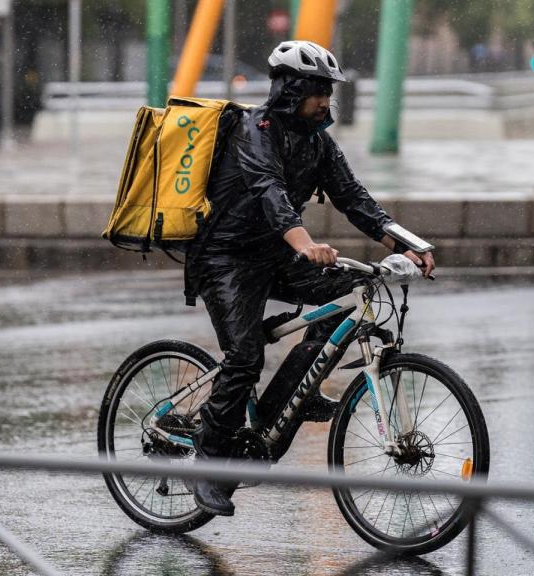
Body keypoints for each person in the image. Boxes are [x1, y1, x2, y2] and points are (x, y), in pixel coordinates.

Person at [184, 40, 435, 516]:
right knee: (243, 359)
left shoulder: (318, 141)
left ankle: (295, 388)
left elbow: (355, 199)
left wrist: (408, 244)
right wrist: (304, 244)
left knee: (351, 293)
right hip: (226, 257)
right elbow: (268, 191)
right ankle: (209, 467)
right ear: (292, 88)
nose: (326, 99)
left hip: (274, 252)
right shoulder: (253, 130)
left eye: (328, 90)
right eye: (318, 89)